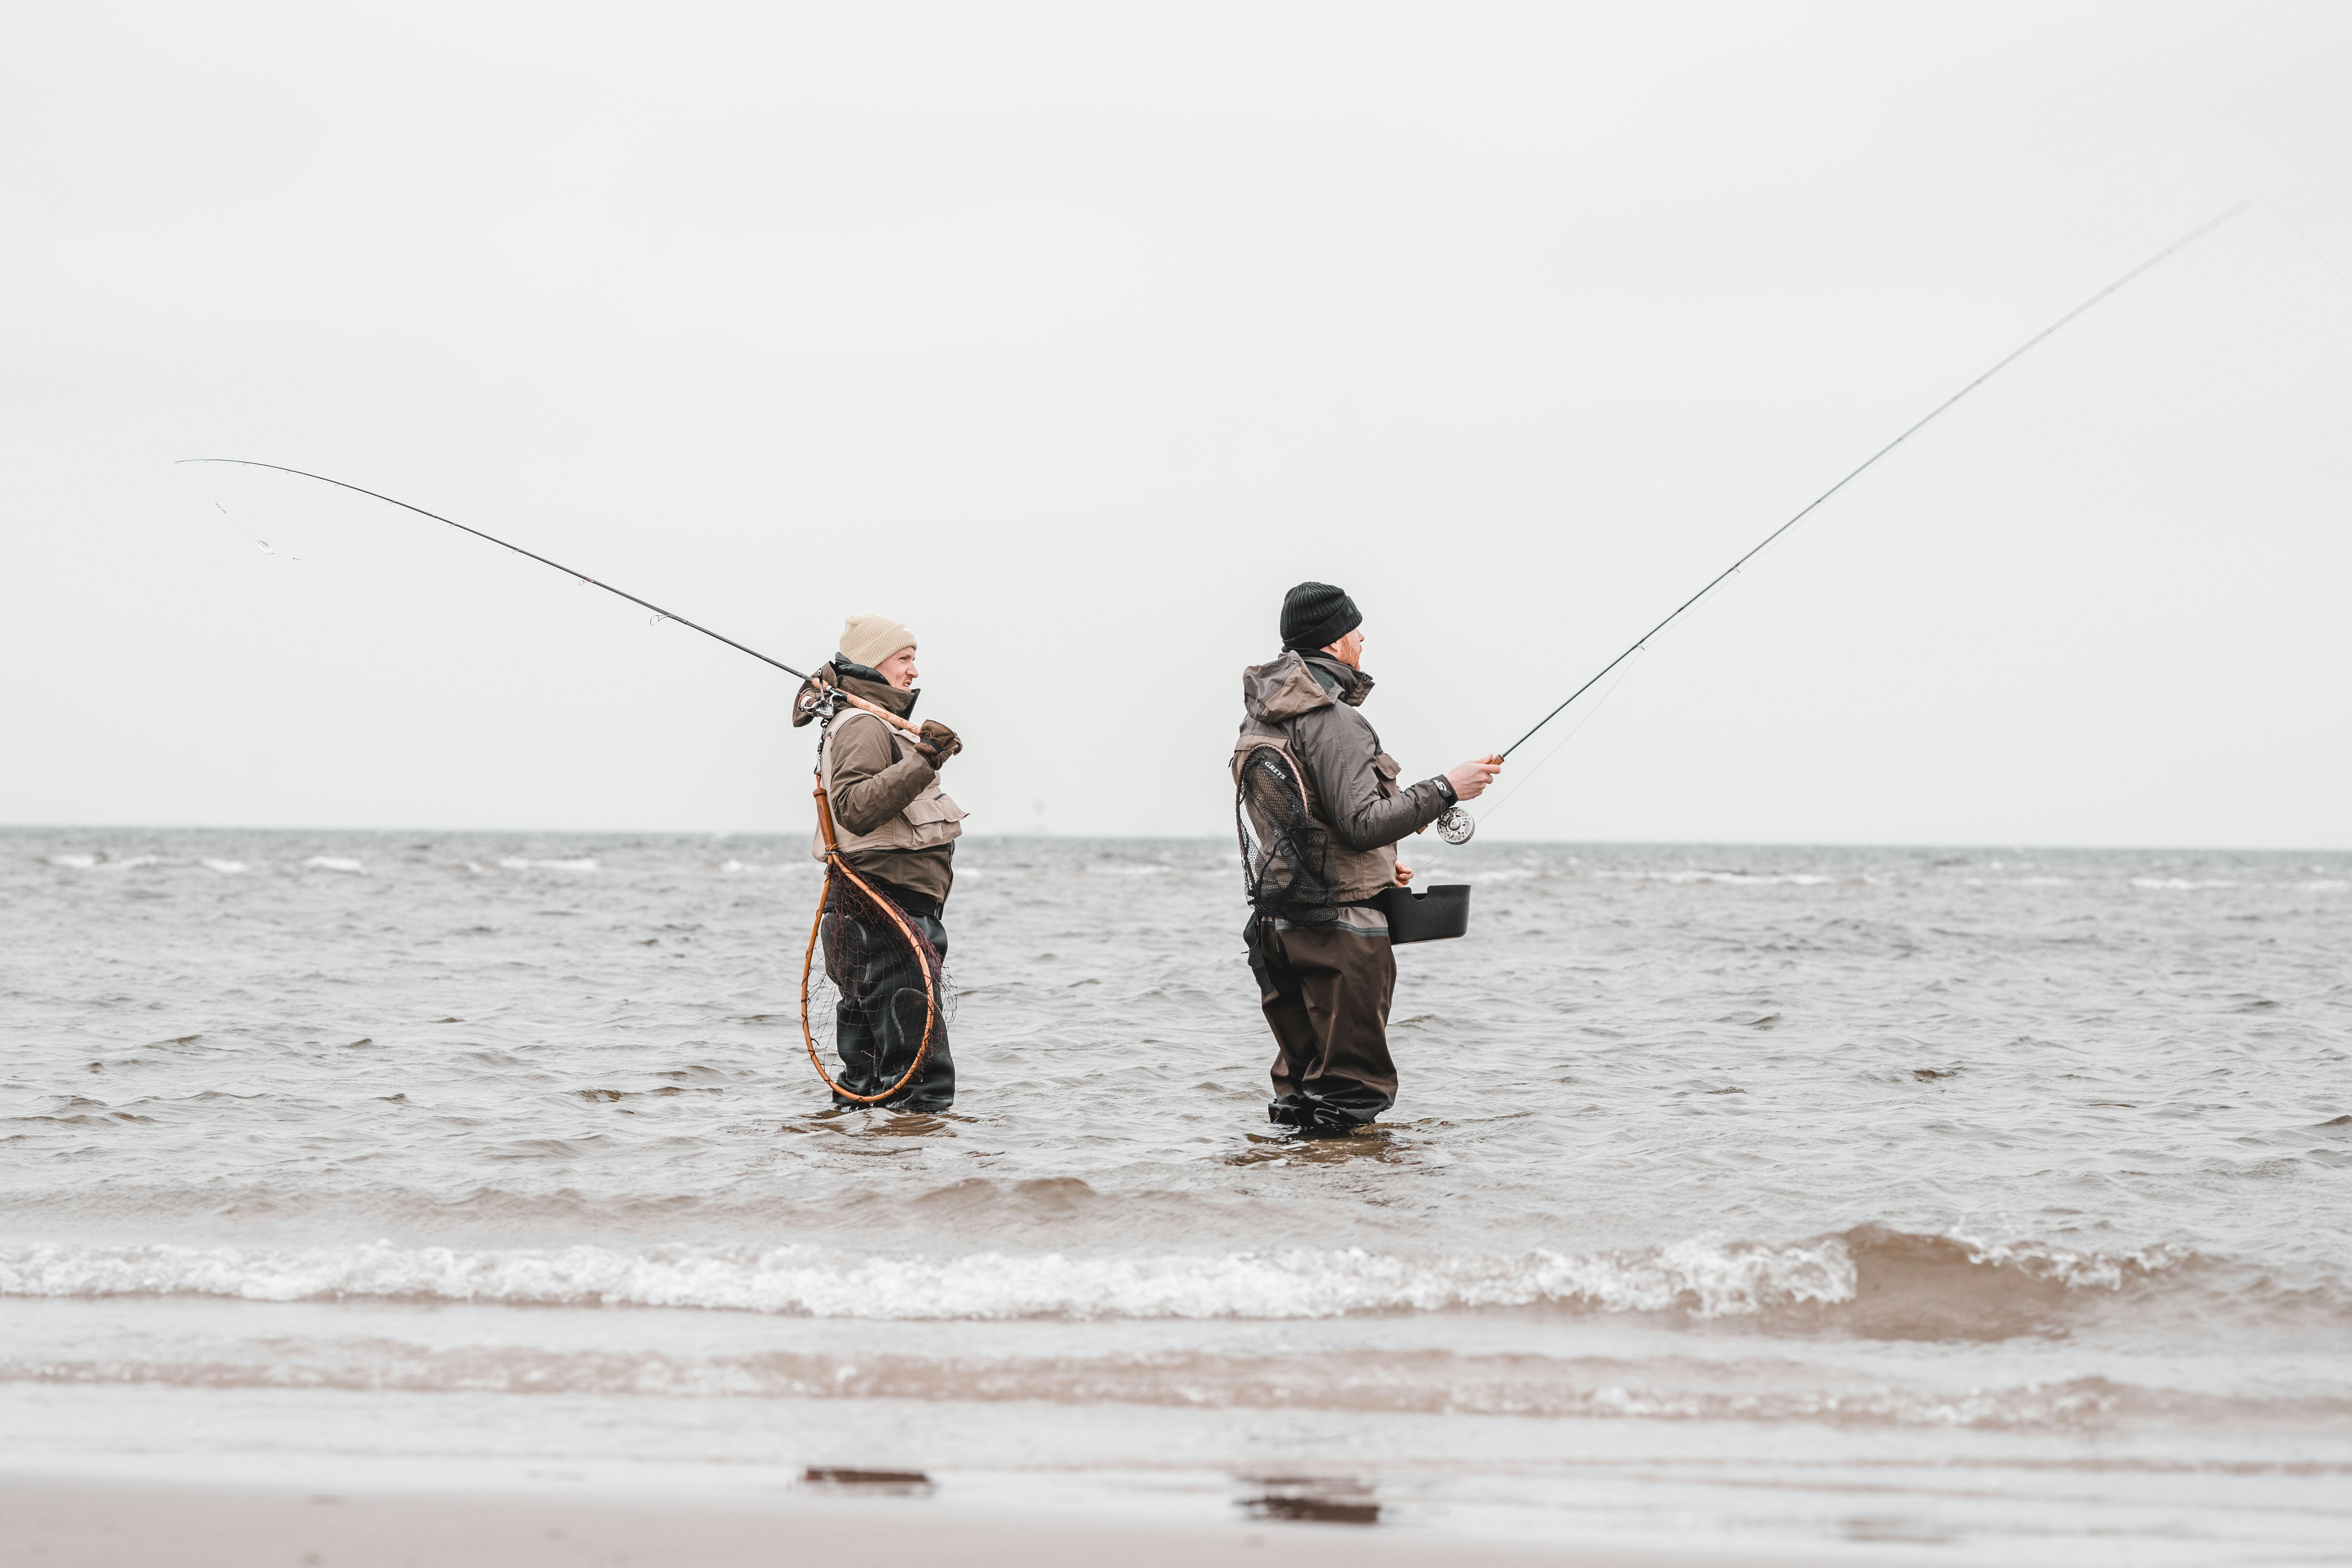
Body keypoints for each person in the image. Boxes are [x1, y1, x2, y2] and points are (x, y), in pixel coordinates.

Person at [1231, 582, 1500, 1135]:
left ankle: (1285, 1205)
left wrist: (1381, 865)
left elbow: (1305, 821)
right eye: (1355, 630)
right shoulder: (1334, 720)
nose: (1361, 639)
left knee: (1302, 1087)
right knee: (1352, 1090)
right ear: (1334, 642)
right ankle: (1348, 1214)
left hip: (1279, 922)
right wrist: (1447, 787)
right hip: (1341, 929)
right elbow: (1359, 824)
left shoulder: (1264, 716)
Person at [793, 613, 964, 1111]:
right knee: (919, 1081)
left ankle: (867, 1174)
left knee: (869, 1075)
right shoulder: (864, 725)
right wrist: (925, 759)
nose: (914, 671)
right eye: (904, 659)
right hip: (888, 910)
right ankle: (917, 1181)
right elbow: (856, 808)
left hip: (872, 910)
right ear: (873, 662)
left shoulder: (866, 721)